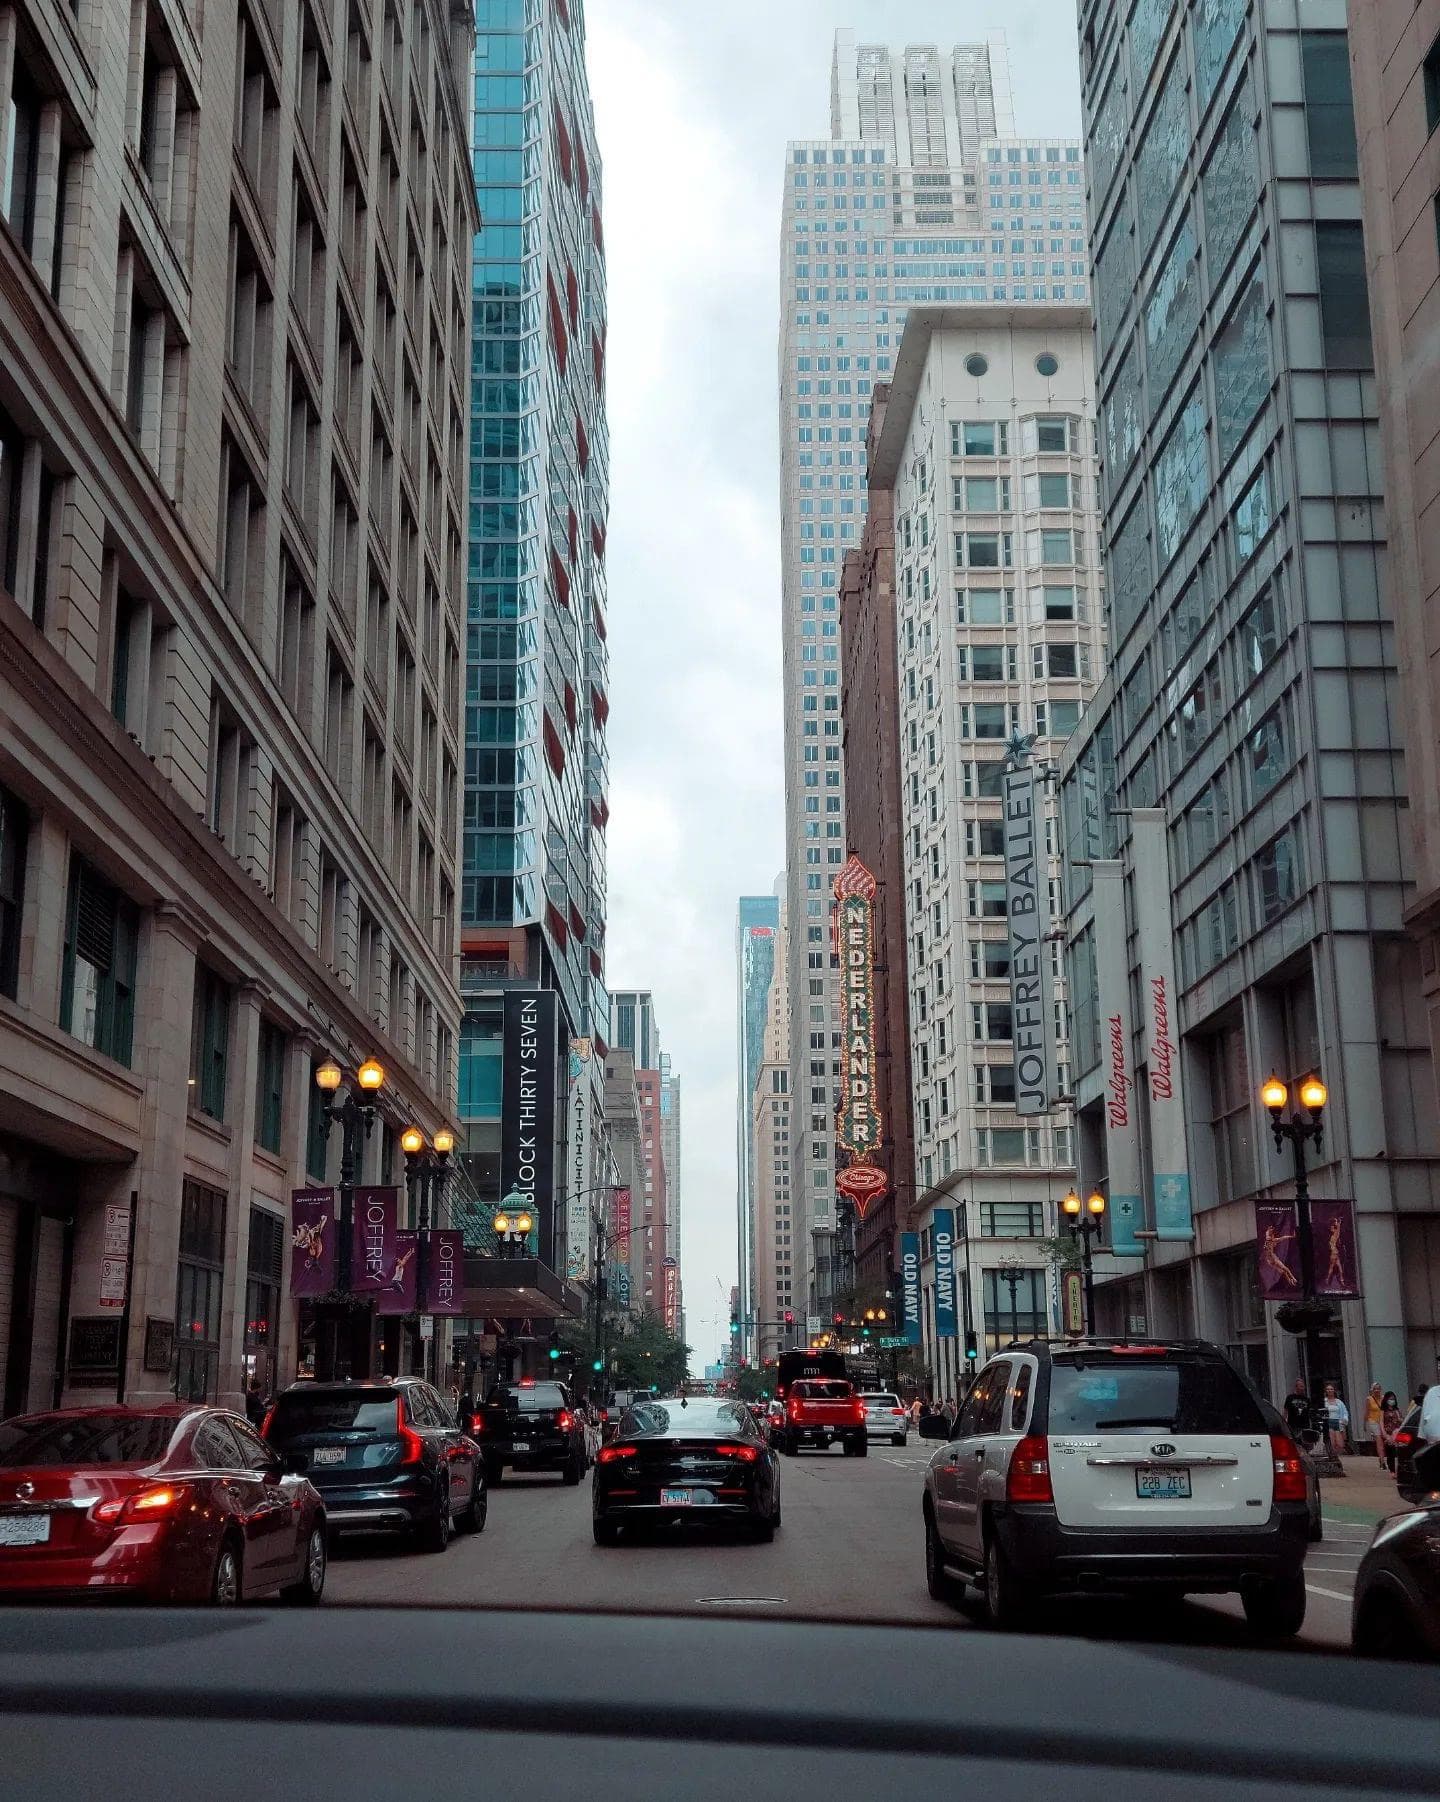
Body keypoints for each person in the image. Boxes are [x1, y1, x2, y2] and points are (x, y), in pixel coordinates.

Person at [1323, 1384, 1350, 1461]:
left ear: (1334, 1390)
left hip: (1338, 1422)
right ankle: (1334, 1459)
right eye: (1328, 1389)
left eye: (1331, 1389)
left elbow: (1345, 1412)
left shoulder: (1339, 1402)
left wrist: (1344, 1420)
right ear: (1326, 1391)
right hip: (1329, 1422)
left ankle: (1335, 1456)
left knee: (1340, 1444)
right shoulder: (1324, 1401)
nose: (1330, 1391)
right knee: (1332, 1443)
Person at [1381, 1392, 1404, 1474]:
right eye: (1390, 1399)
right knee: (1390, 1453)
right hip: (1388, 1433)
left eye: (1393, 1399)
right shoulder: (1383, 1411)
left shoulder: (1397, 1410)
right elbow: (1381, 1422)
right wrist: (1384, 1434)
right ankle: (1392, 1471)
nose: (1392, 1401)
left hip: (1397, 1433)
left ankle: (1398, 1470)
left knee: (1398, 1452)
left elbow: (1401, 1421)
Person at [1363, 1382, 1384, 1466]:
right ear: (1372, 1390)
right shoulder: (1369, 1399)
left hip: (1382, 1421)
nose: (1377, 1390)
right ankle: (1382, 1460)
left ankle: (1382, 1457)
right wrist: (1364, 1423)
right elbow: (1367, 1412)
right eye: (1375, 1389)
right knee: (1379, 1440)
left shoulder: (1383, 1398)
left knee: (1383, 1440)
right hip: (1373, 1421)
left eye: (1378, 1388)